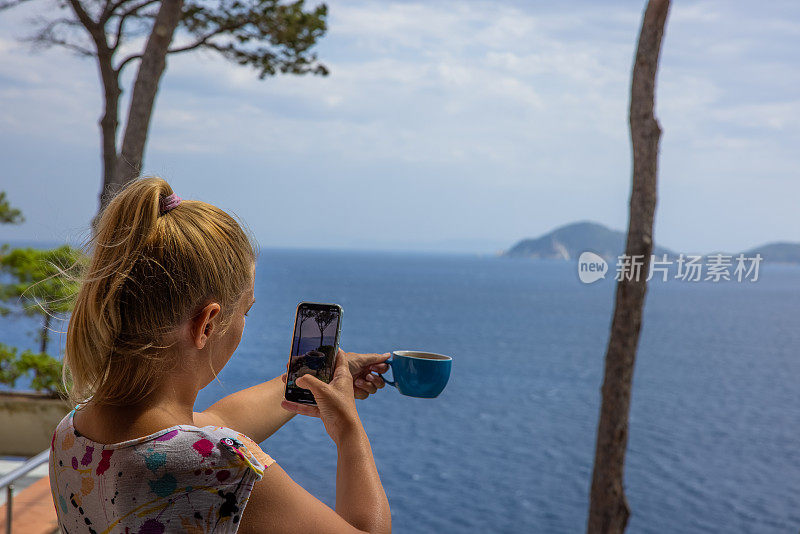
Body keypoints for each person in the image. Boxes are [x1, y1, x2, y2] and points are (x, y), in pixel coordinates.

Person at [48, 177, 392, 533]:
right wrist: (348, 429)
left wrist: (307, 380)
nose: (245, 322)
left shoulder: (72, 435)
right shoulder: (223, 468)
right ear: (208, 324)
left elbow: (214, 419)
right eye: (246, 310)